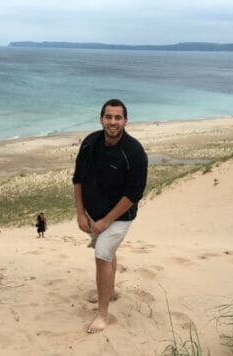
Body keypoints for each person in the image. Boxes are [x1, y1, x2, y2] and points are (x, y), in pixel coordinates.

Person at [73, 98, 148, 333]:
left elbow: (134, 193)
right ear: (101, 119)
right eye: (108, 117)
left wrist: (106, 221)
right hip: (93, 213)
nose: (112, 122)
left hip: (120, 217)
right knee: (108, 252)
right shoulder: (89, 143)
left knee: (102, 255)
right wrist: (81, 214)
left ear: (125, 120)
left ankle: (103, 315)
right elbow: (78, 179)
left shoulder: (134, 152)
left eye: (118, 117)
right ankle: (111, 291)